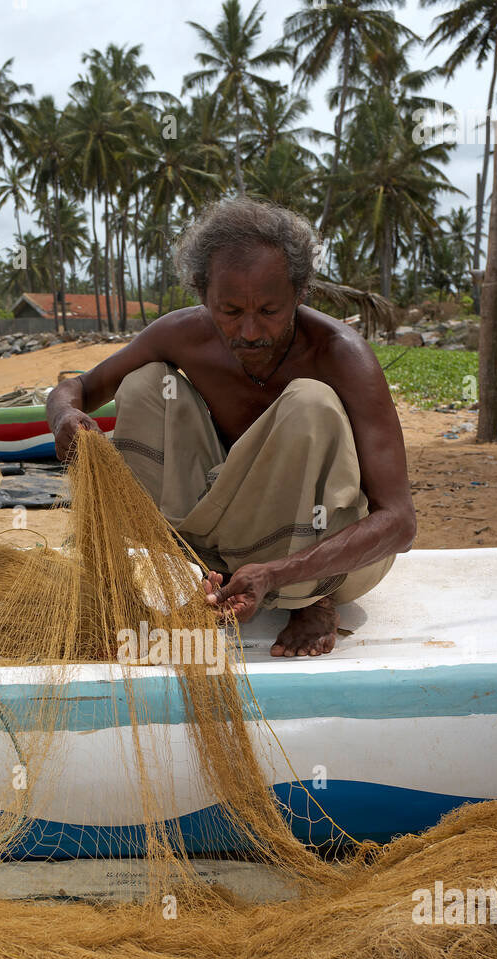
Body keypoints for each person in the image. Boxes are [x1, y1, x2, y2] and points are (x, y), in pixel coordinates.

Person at [46, 197, 416, 657]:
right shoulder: (182, 335)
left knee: (310, 403)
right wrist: (64, 416)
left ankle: (311, 597)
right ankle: (213, 574)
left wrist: (275, 573)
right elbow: (76, 388)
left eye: (269, 310)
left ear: (300, 291)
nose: (250, 331)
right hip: (215, 543)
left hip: (322, 548)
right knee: (145, 383)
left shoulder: (340, 354)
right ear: (202, 294)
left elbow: (400, 523)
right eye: (231, 311)